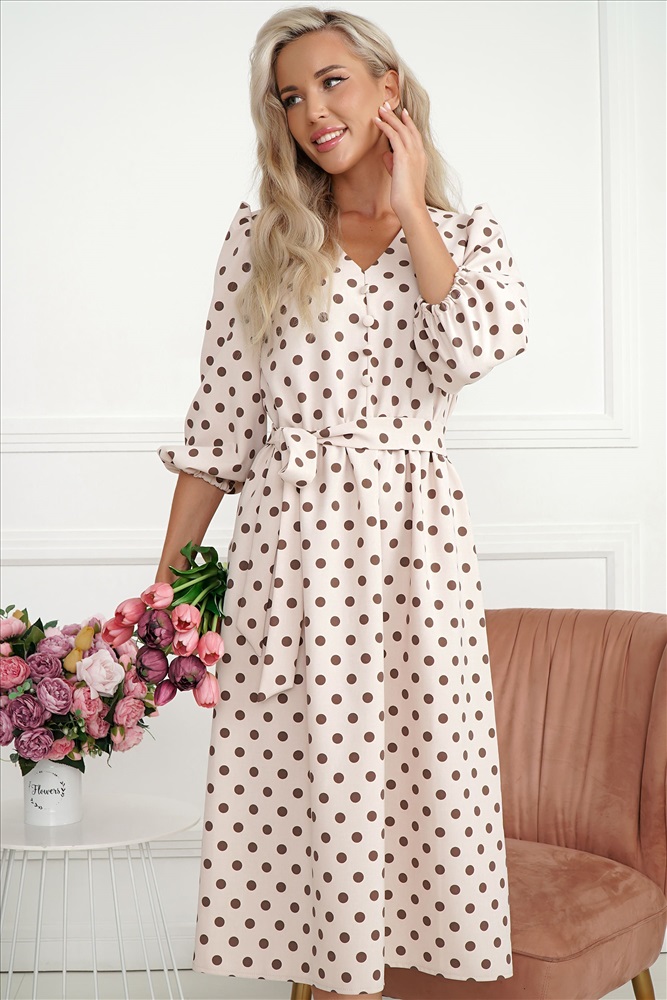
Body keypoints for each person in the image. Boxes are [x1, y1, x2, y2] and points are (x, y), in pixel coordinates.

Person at [155, 6, 528, 999]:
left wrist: (410, 206)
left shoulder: (467, 239)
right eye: (290, 97)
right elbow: (220, 427)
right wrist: (166, 586)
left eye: (331, 83)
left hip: (415, 557)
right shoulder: (262, 239)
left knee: (423, 773)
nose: (312, 112)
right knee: (300, 785)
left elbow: (471, 350)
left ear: (386, 86)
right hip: (291, 553)